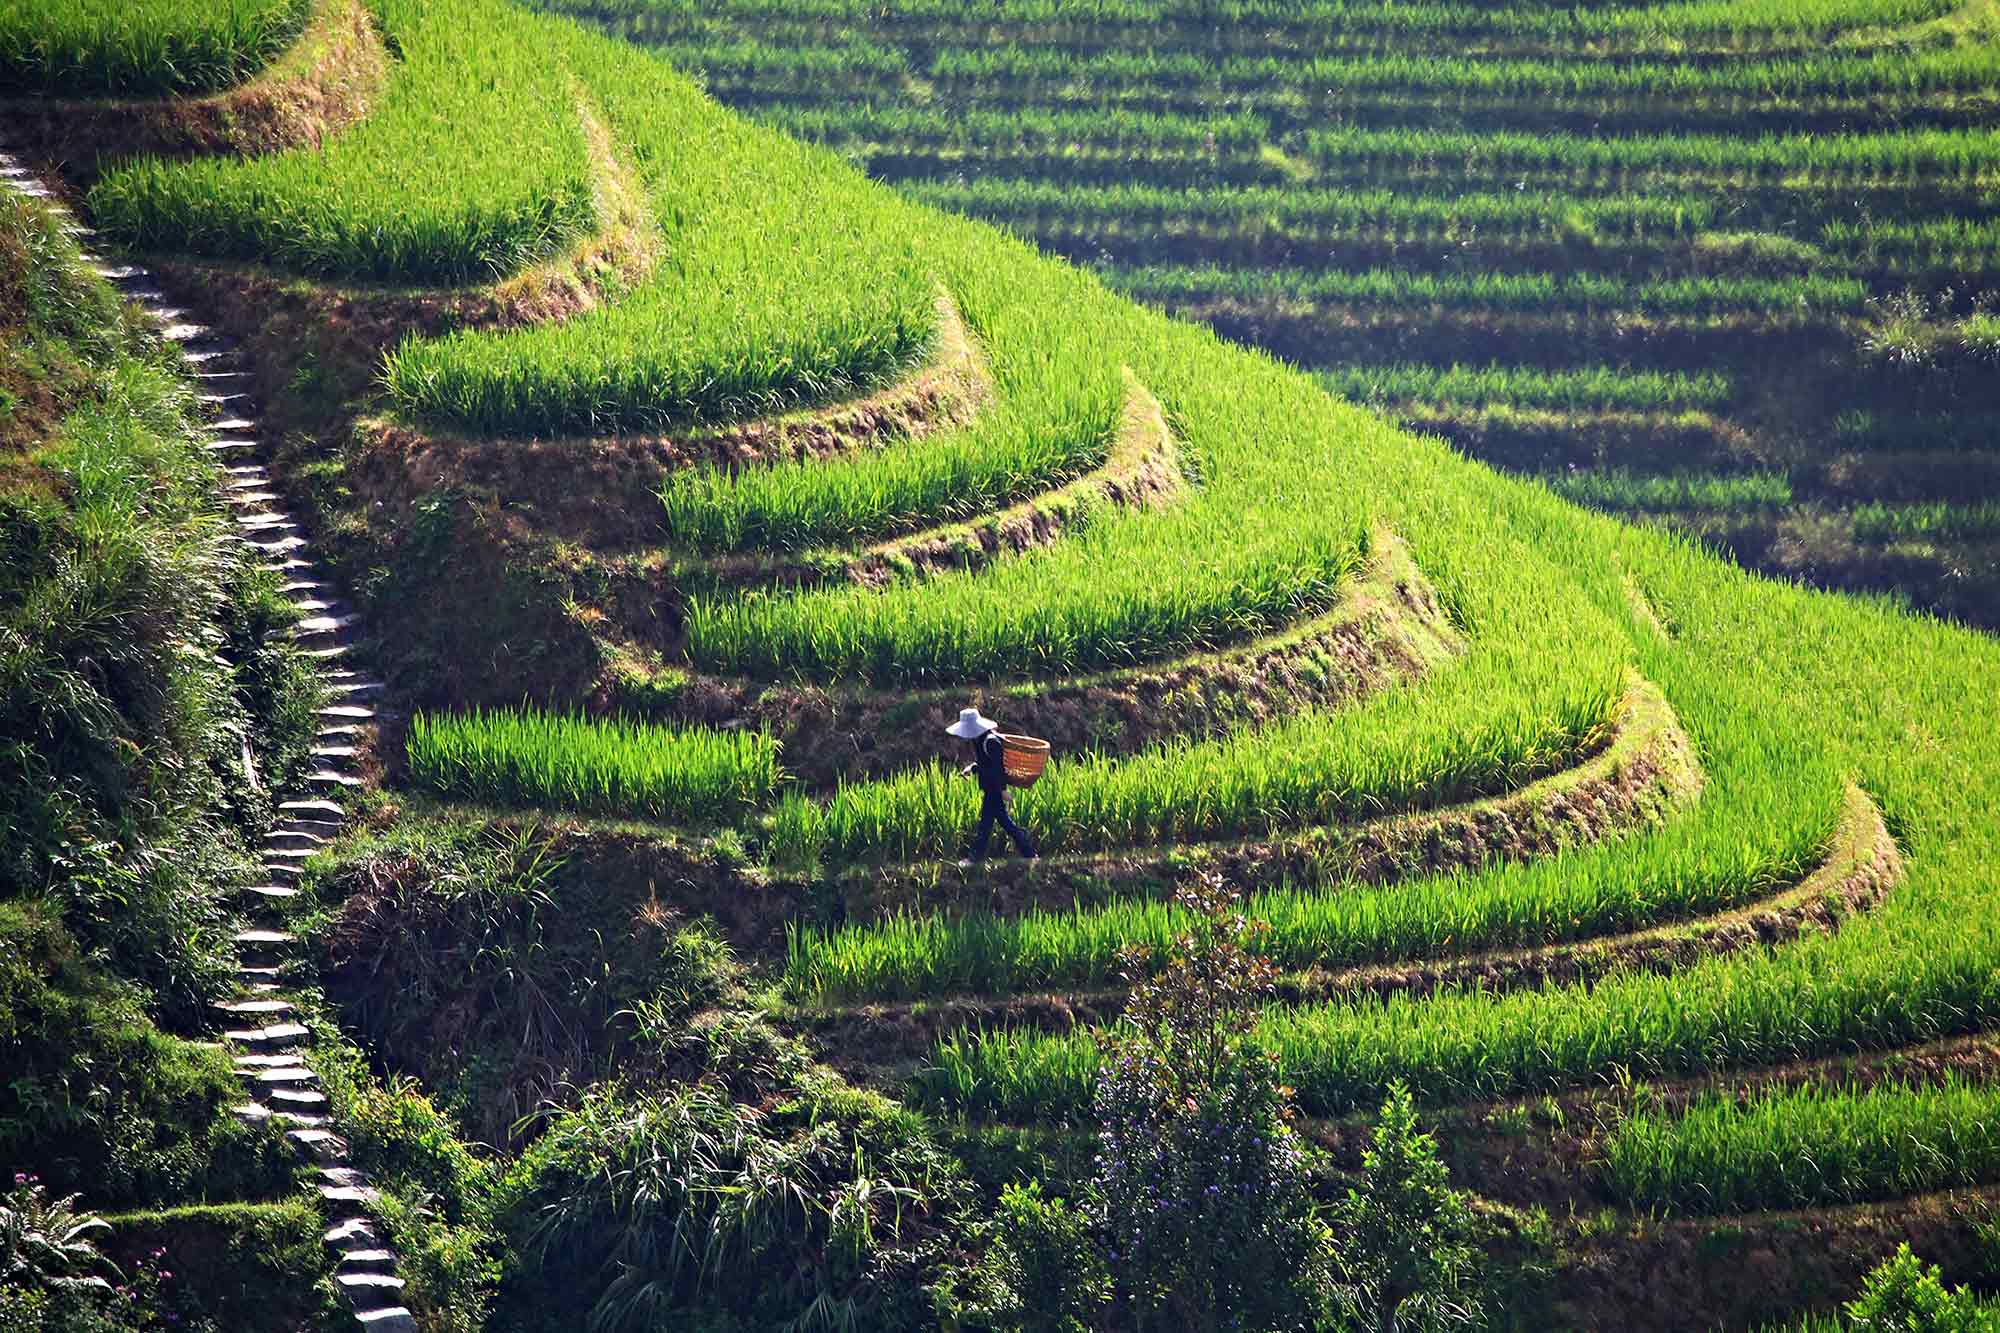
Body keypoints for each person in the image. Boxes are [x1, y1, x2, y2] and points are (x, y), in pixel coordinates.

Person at [946, 706, 1038, 866]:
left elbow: (997, 769)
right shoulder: (979, 739)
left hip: (994, 789)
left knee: (986, 825)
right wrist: (972, 768)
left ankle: (974, 858)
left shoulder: (991, 742)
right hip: (991, 788)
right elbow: (984, 764)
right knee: (1004, 824)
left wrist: (1003, 791)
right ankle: (1030, 854)